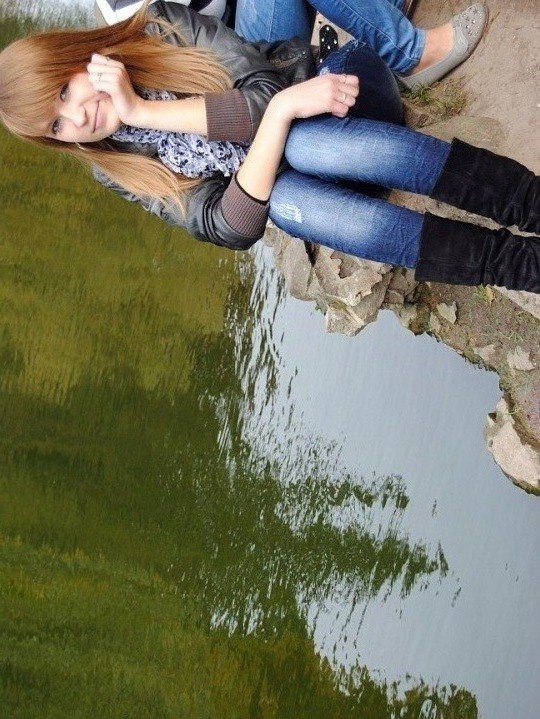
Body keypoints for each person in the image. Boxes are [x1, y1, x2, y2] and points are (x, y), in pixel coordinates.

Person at [0, 1, 538, 293]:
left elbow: (261, 93)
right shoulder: (116, 166)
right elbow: (229, 227)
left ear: (76, 58)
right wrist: (279, 114)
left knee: (304, 149)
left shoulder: (160, 27)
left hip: (346, 99)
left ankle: (529, 202)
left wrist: (145, 110)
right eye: (57, 126)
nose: (78, 117)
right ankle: (519, 266)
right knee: (282, 195)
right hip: (321, 191)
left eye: (65, 92)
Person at [94, 0, 489, 89]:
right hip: (250, 71)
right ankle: (410, 55)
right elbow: (203, 75)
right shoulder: (123, 12)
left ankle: (376, 15)